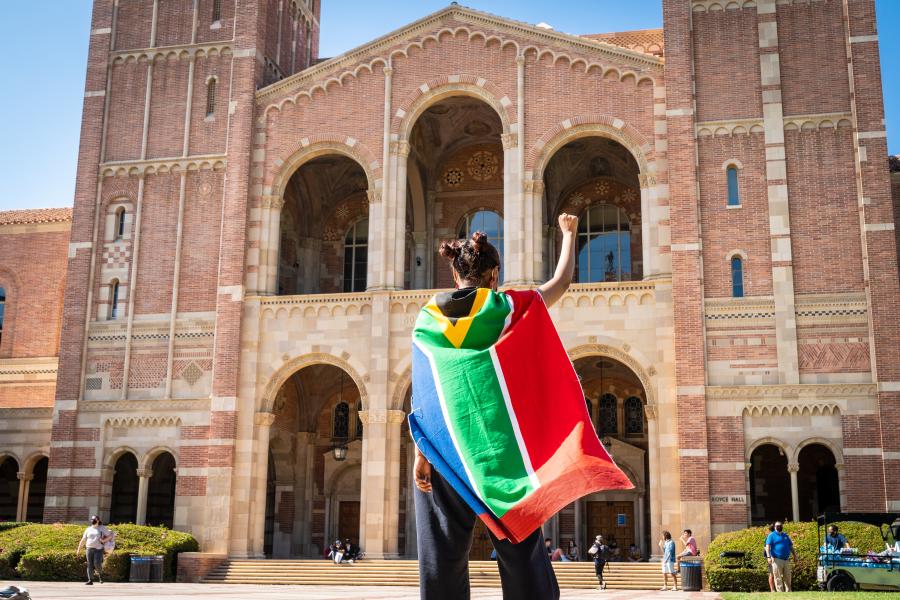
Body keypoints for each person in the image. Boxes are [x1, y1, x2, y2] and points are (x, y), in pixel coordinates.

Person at [413, 214, 581, 600]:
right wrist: (568, 235)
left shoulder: (429, 317)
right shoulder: (507, 308)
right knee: (520, 546)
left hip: (445, 449)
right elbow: (560, 283)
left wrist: (422, 451)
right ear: (495, 276)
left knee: (441, 553)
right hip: (498, 451)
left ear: (455, 277)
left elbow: (425, 389)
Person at [75, 515, 111, 585]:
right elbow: (83, 539)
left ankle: (100, 575)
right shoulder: (88, 529)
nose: (92, 520)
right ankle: (90, 580)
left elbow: (110, 535)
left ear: (98, 520)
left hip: (98, 549)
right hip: (89, 548)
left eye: (94, 519)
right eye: (91, 519)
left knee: (97, 563)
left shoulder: (102, 528)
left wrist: (104, 540)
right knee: (90, 564)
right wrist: (78, 549)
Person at [765, 521, 797, 592]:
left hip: (786, 559)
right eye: (777, 526)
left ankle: (789, 591)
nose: (779, 527)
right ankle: (780, 592)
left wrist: (795, 555)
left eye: (780, 525)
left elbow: (791, 546)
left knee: (788, 576)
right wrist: (768, 557)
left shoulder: (785, 535)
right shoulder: (771, 535)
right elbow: (767, 547)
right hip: (776, 559)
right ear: (775, 527)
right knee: (778, 577)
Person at [765, 524, 775, 592]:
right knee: (772, 573)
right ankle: (772, 590)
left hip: (776, 557)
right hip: (771, 557)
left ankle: (776, 589)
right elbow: (766, 547)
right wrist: (769, 557)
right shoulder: (770, 536)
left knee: (775, 573)